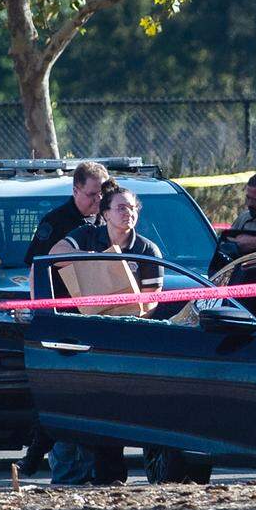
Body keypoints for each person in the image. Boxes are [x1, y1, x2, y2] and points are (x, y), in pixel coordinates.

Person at [44, 181, 164, 485]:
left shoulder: (147, 249)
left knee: (119, 410)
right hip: (86, 337)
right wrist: (94, 273)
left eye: (132, 208)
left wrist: (122, 308)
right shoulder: (86, 236)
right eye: (121, 208)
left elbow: (151, 303)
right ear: (105, 213)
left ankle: (113, 477)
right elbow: (55, 256)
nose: (128, 213)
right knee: (85, 408)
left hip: (128, 339)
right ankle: (69, 472)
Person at [15, 160, 109, 477]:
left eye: (102, 194)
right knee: (60, 392)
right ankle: (35, 456)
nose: (98, 201)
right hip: (62, 315)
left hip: (99, 317)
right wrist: (38, 310)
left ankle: (100, 466)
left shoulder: (109, 220)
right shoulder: (56, 222)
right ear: (75, 190)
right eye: (92, 195)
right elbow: (35, 270)